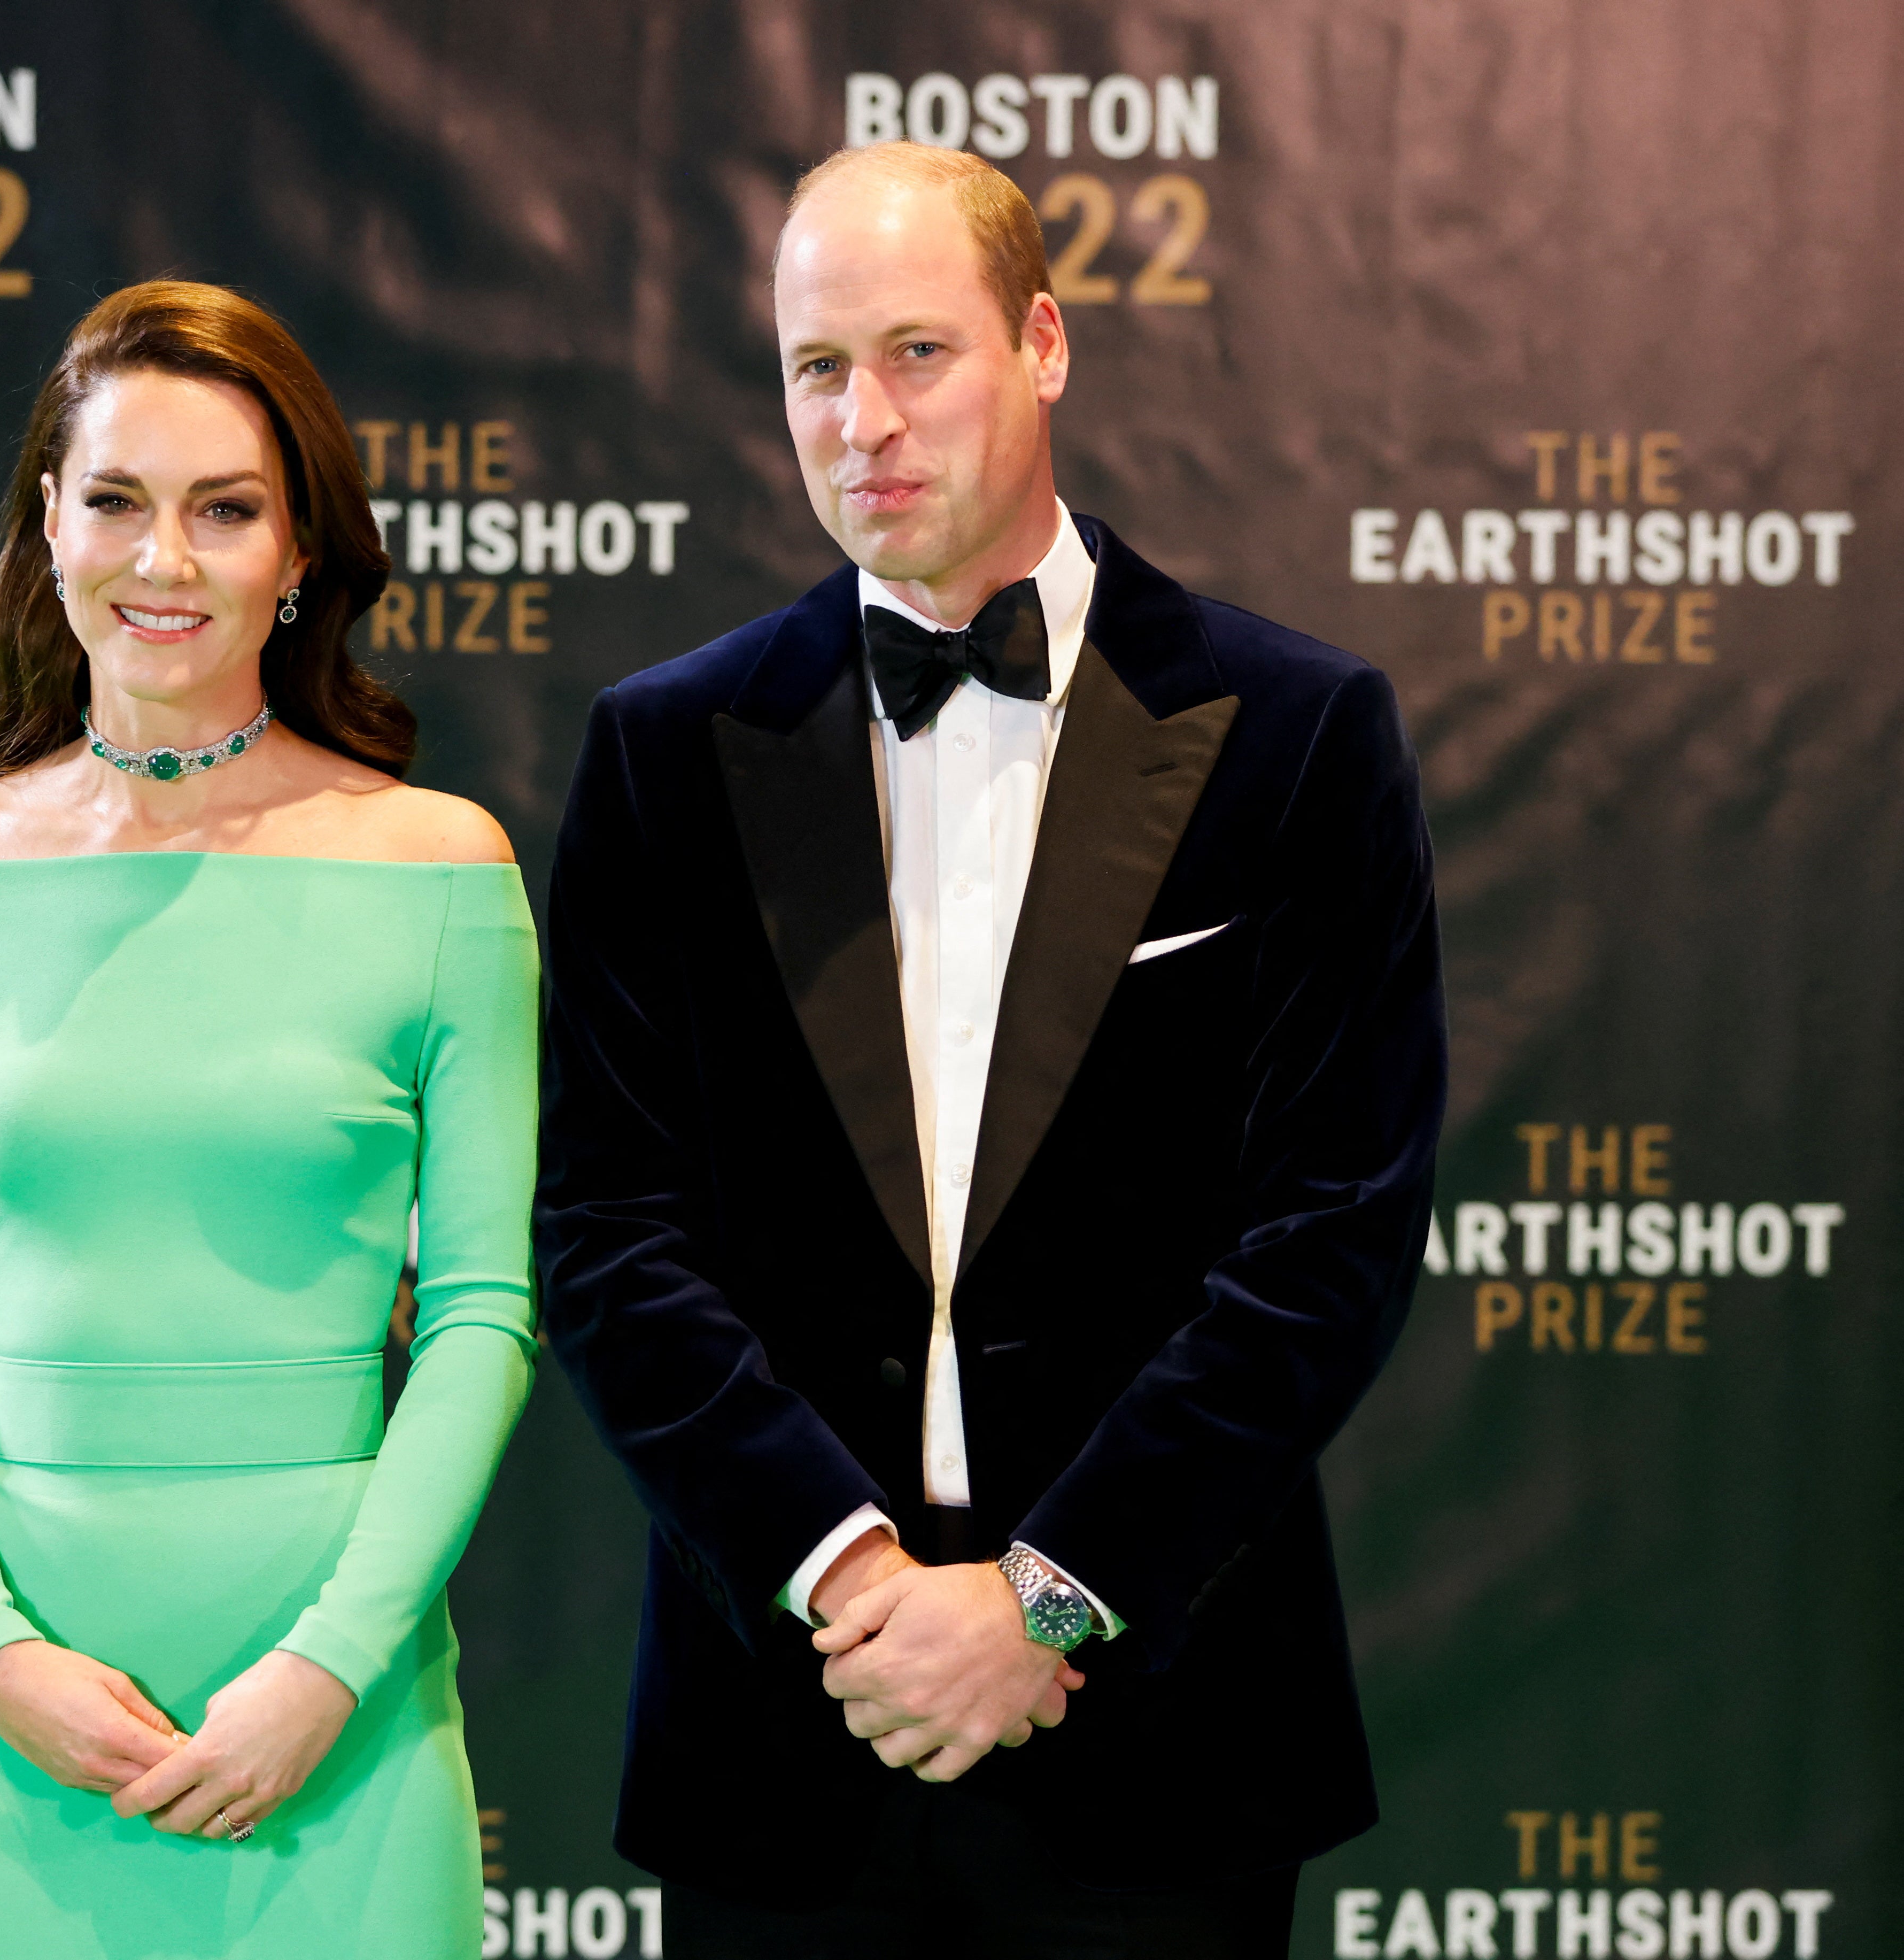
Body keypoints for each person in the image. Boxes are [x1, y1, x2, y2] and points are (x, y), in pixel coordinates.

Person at [535, 143, 1446, 1958]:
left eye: (914, 353)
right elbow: (609, 1232)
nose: (860, 420)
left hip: (1159, 1731)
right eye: (814, 368)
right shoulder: (663, 751)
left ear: (1041, 343)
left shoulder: (1296, 733)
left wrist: (1046, 1600)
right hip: (792, 1719)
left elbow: (1329, 1232)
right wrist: (852, 1575)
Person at [0, 281, 536, 1959]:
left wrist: (329, 1666)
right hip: (27, 1737)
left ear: (299, 557)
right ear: (46, 530)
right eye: (118, 504)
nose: (164, 562)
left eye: (224, 511)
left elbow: (483, 1316)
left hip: (340, 1721)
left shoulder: (441, 868)